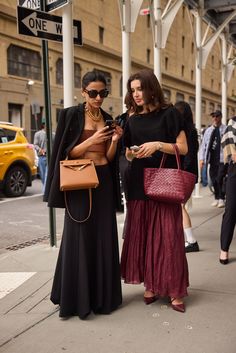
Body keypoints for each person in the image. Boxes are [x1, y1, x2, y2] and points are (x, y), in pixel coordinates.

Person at [44, 71, 123, 319]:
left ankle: (102, 298)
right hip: (78, 181)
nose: (98, 97)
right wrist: (92, 140)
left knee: (103, 236)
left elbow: (108, 160)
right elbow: (66, 153)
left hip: (104, 181)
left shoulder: (109, 118)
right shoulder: (70, 115)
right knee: (78, 236)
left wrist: (114, 141)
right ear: (83, 91)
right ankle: (76, 299)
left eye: (103, 93)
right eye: (93, 93)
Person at [121, 69, 189, 313]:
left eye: (140, 89)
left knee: (168, 238)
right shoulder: (131, 119)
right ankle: (150, 285)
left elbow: (182, 148)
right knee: (146, 237)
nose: (136, 94)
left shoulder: (169, 114)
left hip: (163, 183)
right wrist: (133, 152)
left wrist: (158, 145)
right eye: (133, 90)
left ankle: (174, 290)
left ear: (151, 89)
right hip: (138, 184)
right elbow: (127, 153)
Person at [175, 101, 199, 253]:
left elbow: (188, 156)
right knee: (180, 206)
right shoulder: (192, 130)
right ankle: (186, 239)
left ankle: (191, 240)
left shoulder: (183, 131)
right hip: (190, 174)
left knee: (179, 206)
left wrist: (180, 171)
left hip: (185, 173)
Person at [199, 110, 227, 208]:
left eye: (217, 116)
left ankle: (221, 198)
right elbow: (203, 145)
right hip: (211, 159)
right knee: (214, 180)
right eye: (213, 116)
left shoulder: (226, 129)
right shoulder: (208, 130)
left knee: (220, 178)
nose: (215, 118)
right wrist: (201, 159)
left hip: (223, 159)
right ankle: (216, 197)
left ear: (221, 117)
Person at [219, 116, 236, 264]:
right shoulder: (233, 121)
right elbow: (230, 147)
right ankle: (224, 249)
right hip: (235, 170)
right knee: (230, 210)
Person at [34, 122, 47, 192]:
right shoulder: (38, 134)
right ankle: (45, 189)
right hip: (42, 157)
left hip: (50, 157)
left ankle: (46, 191)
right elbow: (35, 145)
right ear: (44, 125)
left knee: (47, 175)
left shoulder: (53, 134)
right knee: (43, 175)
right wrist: (40, 150)